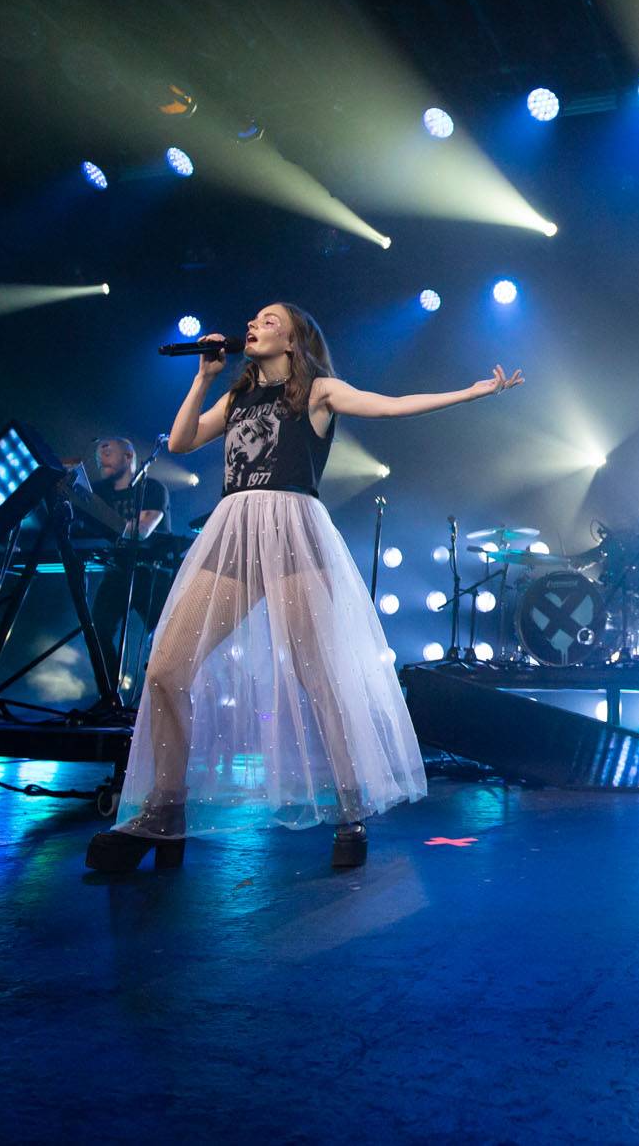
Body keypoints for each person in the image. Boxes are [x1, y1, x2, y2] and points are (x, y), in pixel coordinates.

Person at [86, 301, 524, 872]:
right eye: (255, 320)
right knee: (166, 669)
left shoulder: (317, 390)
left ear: (294, 341)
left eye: (270, 321)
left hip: (293, 536)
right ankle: (165, 813)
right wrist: (203, 377)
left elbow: (388, 408)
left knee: (316, 676)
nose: (254, 325)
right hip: (235, 535)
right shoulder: (237, 395)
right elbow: (182, 441)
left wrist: (470, 393)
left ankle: (350, 810)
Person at [83, 436, 170, 693]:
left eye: (108, 450)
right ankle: (109, 697)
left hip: (151, 572)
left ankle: (161, 698)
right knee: (98, 631)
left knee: (164, 635)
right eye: (98, 454)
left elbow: (141, 531)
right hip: (117, 572)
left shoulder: (152, 488)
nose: (101, 457)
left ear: (129, 456)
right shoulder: (97, 492)